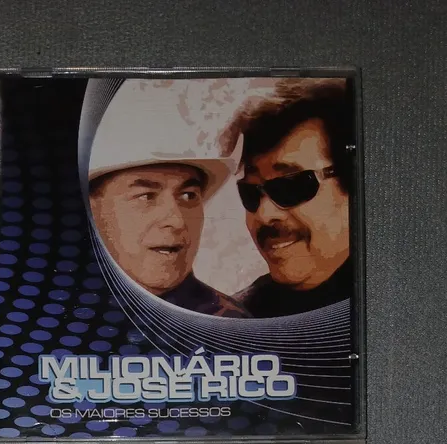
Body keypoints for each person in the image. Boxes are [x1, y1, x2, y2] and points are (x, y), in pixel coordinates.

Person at [88, 89, 246, 315]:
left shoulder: (226, 324)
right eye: (146, 196)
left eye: (188, 195)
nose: (177, 220)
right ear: (93, 211)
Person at [230, 79, 353, 317]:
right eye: (250, 192)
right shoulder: (237, 322)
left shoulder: (402, 301)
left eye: (290, 186)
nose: (264, 215)